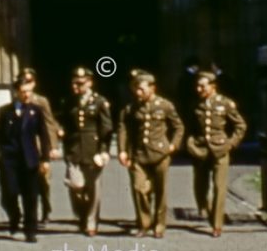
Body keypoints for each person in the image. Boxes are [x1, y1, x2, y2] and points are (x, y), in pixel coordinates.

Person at [118, 71, 184, 238]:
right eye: (135, 89)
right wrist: (122, 150)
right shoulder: (131, 108)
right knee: (138, 188)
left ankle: (159, 225)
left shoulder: (165, 106)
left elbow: (178, 127)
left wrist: (173, 145)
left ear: (152, 88)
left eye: (141, 89)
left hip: (160, 154)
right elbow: (123, 128)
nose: (137, 93)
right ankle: (144, 223)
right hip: (139, 154)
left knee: (160, 190)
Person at [186, 70, 247, 237]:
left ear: (213, 86)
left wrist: (231, 143)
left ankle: (217, 224)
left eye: (203, 86)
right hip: (200, 151)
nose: (199, 89)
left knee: (220, 187)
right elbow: (189, 128)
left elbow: (240, 126)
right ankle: (206, 210)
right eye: (198, 86)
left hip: (220, 150)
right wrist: (190, 144)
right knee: (200, 188)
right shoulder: (195, 105)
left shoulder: (225, 103)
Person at [0, 76, 52, 243]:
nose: (27, 95)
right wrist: (3, 151)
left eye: (29, 92)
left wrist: (45, 158)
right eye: (23, 92)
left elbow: (44, 135)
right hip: (10, 160)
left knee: (31, 196)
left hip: (29, 159)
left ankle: (30, 230)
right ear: (16, 92)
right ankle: (14, 216)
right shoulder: (5, 111)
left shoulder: (35, 111)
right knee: (9, 193)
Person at [61, 67, 113, 236]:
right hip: (74, 149)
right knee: (75, 185)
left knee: (93, 188)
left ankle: (91, 222)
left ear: (90, 83)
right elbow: (65, 125)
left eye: (81, 83)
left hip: (93, 149)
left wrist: (104, 151)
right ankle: (81, 214)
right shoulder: (69, 101)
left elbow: (106, 129)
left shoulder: (99, 102)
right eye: (74, 82)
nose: (77, 86)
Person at [15, 68, 62, 224]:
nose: (26, 84)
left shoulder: (41, 101)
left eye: (29, 81)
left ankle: (46, 210)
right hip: (23, 148)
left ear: (34, 83)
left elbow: (49, 124)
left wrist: (53, 147)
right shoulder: (17, 100)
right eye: (24, 80)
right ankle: (29, 214)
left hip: (40, 147)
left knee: (43, 182)